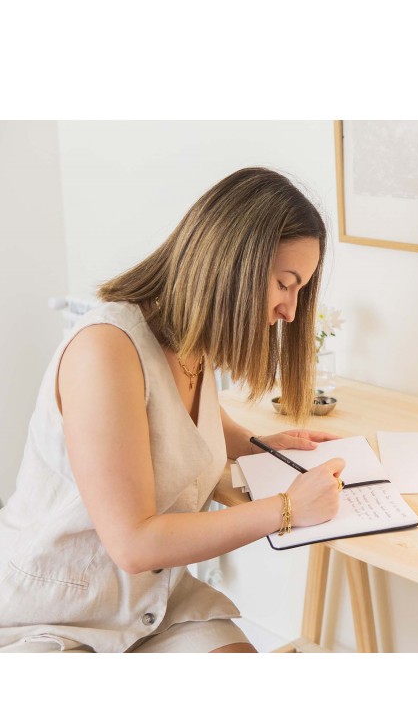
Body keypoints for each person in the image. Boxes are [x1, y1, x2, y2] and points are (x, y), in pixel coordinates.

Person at [0, 167, 345, 653]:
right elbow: (134, 543)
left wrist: (258, 445)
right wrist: (287, 509)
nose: (290, 311)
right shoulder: (106, 350)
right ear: (234, 265)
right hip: (56, 610)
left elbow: (187, 419)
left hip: (154, 603)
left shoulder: (190, 340)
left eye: (299, 291)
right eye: (285, 284)